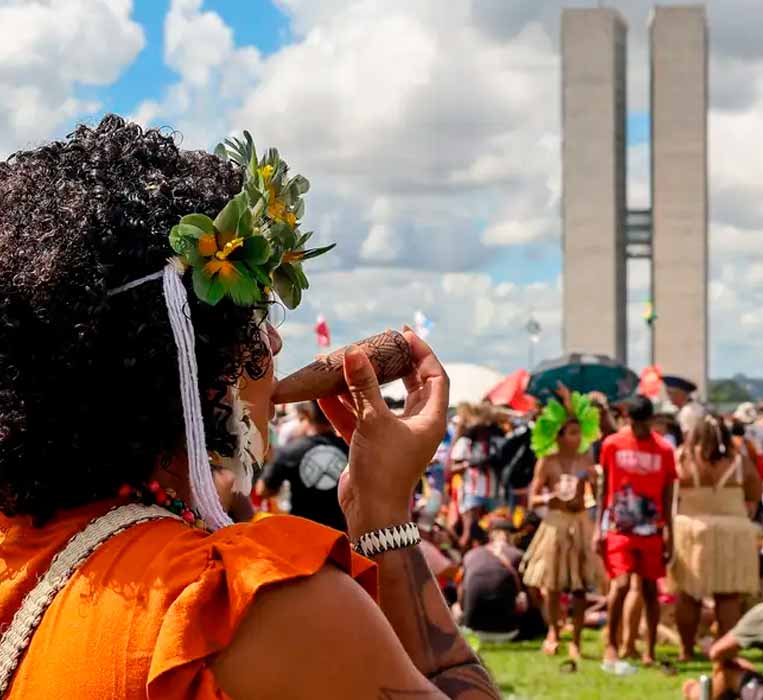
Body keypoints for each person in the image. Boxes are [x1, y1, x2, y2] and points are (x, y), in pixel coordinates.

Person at [0, 117, 499, 698]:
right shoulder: (247, 604)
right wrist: (384, 516)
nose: (275, 344)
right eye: (254, 318)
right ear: (192, 360)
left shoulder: (19, 557)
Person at [594, 395, 677, 674]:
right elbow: (603, 486)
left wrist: (670, 535)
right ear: (628, 419)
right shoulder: (613, 444)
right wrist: (598, 528)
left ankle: (649, 650)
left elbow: (668, 494)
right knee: (620, 585)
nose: (641, 429)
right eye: (636, 423)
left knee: (651, 589)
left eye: (645, 423)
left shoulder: (664, 450)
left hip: (652, 530)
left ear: (651, 420)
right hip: (619, 528)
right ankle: (612, 645)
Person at [669, 415, 763, 661]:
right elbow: (755, 490)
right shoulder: (739, 460)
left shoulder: (682, 457)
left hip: (692, 531)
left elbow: (669, 491)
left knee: (689, 594)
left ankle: (686, 650)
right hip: (732, 532)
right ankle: (725, 654)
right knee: (728, 596)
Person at [520, 392, 603, 663]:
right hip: (555, 524)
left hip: (579, 524)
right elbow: (533, 498)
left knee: (580, 588)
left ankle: (576, 640)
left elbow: (597, 492)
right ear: (558, 435)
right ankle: (554, 632)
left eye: (579, 432)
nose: (577, 438)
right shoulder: (548, 462)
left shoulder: (586, 459)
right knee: (552, 586)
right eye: (571, 432)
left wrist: (595, 483)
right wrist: (549, 498)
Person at [257, 400, 350, 531]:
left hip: (303, 532)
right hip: (340, 533)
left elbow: (263, 489)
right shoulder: (350, 448)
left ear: (306, 415)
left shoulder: (290, 451)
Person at [458, 519, 539, 643]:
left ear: (490, 536)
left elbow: (461, 596)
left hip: (471, 631)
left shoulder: (470, 555)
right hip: (508, 632)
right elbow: (534, 598)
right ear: (512, 537)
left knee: (455, 607)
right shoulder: (518, 555)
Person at [449, 403, 505, 550]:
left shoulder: (499, 440)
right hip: (472, 492)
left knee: (496, 533)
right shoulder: (466, 442)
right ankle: (464, 564)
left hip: (496, 493)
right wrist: (470, 464)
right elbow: (452, 469)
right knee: (470, 532)